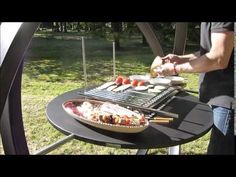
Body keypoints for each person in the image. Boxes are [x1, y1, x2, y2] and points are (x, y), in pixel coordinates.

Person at [151, 22, 234, 155]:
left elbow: (219, 58)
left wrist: (174, 68)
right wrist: (181, 59)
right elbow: (207, 52)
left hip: (228, 98)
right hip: (218, 94)